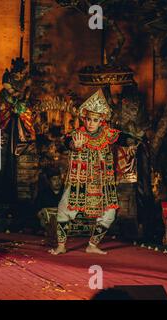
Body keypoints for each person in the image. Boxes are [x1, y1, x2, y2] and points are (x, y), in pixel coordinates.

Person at [49, 89, 120, 255]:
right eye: (88, 119)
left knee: (109, 214)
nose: (90, 123)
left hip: (102, 182)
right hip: (79, 181)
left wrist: (136, 139)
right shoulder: (77, 134)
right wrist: (75, 146)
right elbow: (68, 142)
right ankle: (61, 245)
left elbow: (125, 138)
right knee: (64, 209)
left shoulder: (108, 134)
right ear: (84, 118)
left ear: (101, 120)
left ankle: (92, 245)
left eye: (95, 120)